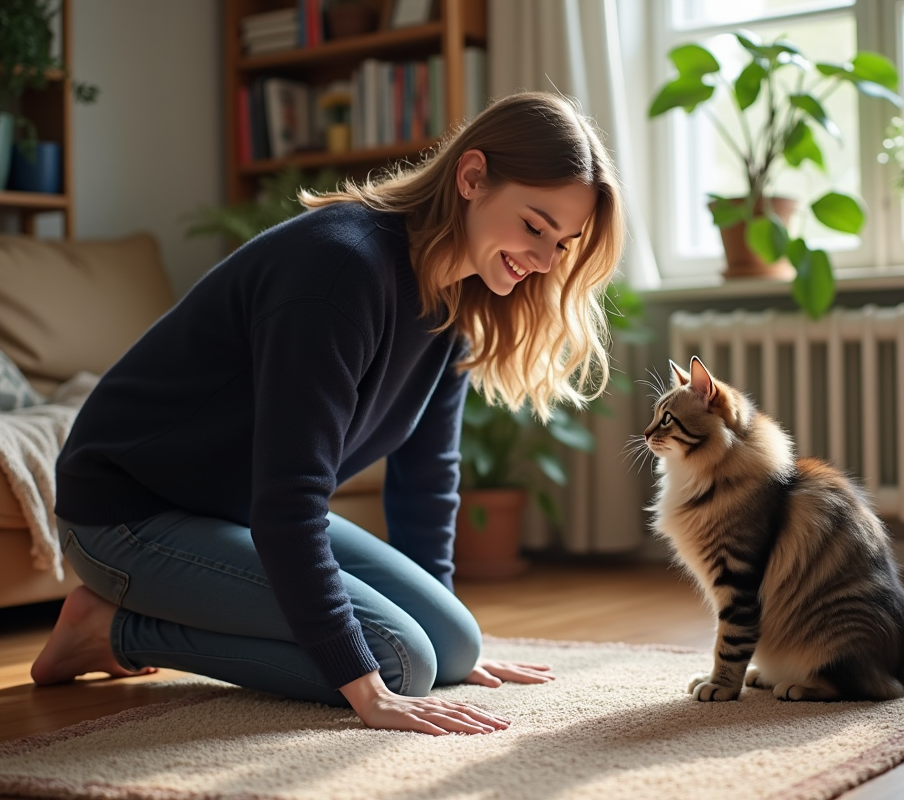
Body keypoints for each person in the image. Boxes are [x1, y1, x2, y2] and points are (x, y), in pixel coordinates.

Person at [30, 91, 626, 737]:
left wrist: (447, 635)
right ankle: (112, 631)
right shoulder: (341, 268)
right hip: (126, 516)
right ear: (472, 177)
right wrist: (369, 691)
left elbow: (428, 475)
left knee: (451, 648)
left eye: (562, 244)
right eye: (535, 226)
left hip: (229, 511)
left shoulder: (459, 296)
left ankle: (420, 649)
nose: (543, 261)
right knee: (399, 665)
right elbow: (290, 497)